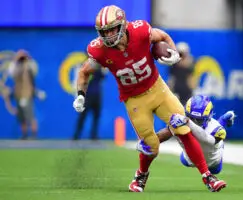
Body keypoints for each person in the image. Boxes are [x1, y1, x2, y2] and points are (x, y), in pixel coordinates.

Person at [73, 5, 226, 192]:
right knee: (151, 145)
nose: (108, 35)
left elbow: (162, 36)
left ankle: (207, 176)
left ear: (123, 24)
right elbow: (83, 72)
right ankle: (141, 176)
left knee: (182, 126)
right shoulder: (99, 50)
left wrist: (174, 52)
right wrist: (81, 95)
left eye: (112, 29)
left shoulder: (140, 30)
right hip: (134, 99)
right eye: (104, 31)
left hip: (158, 89)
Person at [137, 94, 236, 175]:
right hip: (189, 159)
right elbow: (164, 134)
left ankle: (223, 120)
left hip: (213, 161)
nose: (195, 121)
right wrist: (147, 142)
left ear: (209, 116)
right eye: (191, 117)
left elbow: (207, 139)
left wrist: (188, 121)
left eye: (199, 120)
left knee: (216, 169)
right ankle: (224, 118)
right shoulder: (183, 120)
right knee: (183, 156)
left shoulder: (216, 129)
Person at [7, 49, 46, 139]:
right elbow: (11, 72)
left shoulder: (29, 67)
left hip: (27, 95)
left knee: (30, 116)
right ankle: (24, 135)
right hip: (18, 95)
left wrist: (28, 57)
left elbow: (35, 68)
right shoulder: (16, 68)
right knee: (22, 118)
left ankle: (33, 135)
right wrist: (16, 59)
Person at [73, 68, 106, 140]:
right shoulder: (86, 66)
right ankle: (76, 135)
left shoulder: (99, 67)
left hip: (97, 95)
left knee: (96, 116)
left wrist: (103, 70)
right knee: (83, 116)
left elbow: (103, 77)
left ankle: (94, 135)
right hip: (87, 95)